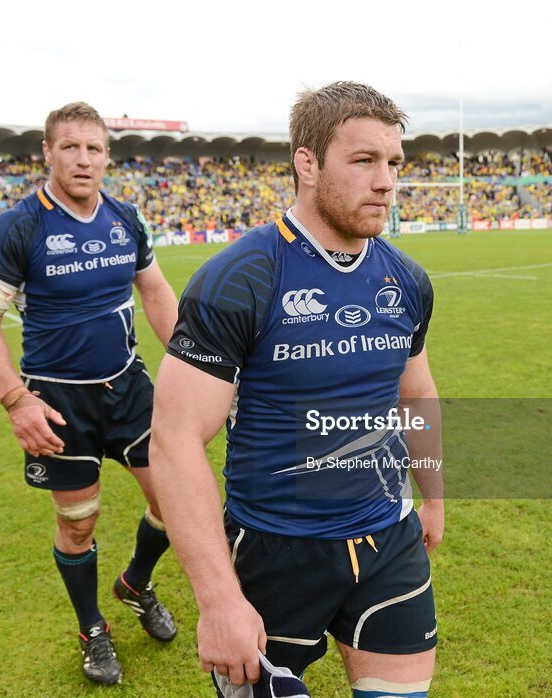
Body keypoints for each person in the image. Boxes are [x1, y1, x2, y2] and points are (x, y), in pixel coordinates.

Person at [151, 82, 444, 698]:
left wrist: (434, 495)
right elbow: (175, 441)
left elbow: (415, 392)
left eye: (394, 163)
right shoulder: (239, 279)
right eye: (364, 161)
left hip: (389, 541)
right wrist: (218, 600)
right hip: (274, 553)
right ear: (306, 164)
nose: (387, 181)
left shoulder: (406, 279)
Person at [0, 102, 179, 685]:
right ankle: (92, 629)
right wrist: (16, 400)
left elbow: (155, 293)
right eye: (71, 148)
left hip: (130, 388)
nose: (83, 160)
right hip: (60, 404)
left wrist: (194, 361)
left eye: (94, 149)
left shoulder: (125, 217)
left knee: (173, 503)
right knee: (79, 522)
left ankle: (135, 581)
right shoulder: (19, 226)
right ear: (48, 153)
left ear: (108, 155)